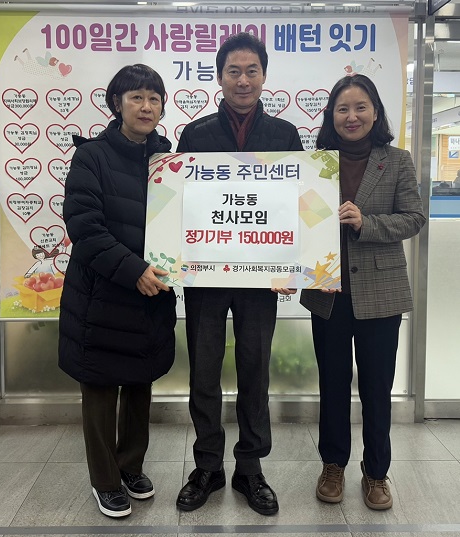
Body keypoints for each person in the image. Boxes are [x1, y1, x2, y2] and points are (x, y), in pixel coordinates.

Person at [175, 32, 303, 516]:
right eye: (234, 71)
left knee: (255, 371)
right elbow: (180, 205)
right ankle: (207, 466)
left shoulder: (285, 135)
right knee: (204, 373)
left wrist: (297, 260)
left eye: (252, 71)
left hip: (260, 278)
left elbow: (300, 204)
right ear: (220, 77)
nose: (243, 80)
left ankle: (250, 468)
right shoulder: (196, 135)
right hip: (206, 276)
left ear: (264, 76)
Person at [300, 74, 426, 510]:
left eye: (360, 107)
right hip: (328, 293)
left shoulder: (397, 160)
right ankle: (333, 465)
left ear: (375, 112)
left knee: (377, 388)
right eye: (342, 109)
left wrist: (366, 223)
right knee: (332, 385)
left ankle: (376, 473)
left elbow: (413, 218)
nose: (351, 116)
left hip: (381, 292)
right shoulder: (315, 163)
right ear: (331, 116)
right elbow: (297, 219)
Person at [58, 64, 176, 518]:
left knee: (140, 384)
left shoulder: (170, 161)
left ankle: (131, 466)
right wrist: (133, 270)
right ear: (117, 104)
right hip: (102, 294)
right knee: (101, 389)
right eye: (136, 98)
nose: (146, 107)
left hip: (150, 295)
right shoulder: (91, 157)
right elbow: (85, 229)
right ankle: (105, 480)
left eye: (154, 98)